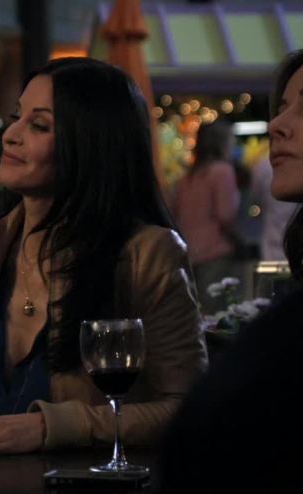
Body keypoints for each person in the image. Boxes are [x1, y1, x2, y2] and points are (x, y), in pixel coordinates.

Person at [0, 57, 207, 456]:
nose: (11, 135)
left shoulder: (145, 254)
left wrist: (54, 426)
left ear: (90, 145)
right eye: (16, 117)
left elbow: (189, 409)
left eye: (39, 125)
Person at [157, 51, 303, 493]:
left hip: (193, 255)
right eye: (281, 108)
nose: (276, 125)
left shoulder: (190, 177)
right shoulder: (222, 173)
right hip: (219, 252)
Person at [171, 121, 241, 311]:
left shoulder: (186, 178)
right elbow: (225, 215)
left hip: (189, 254)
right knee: (219, 315)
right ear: (222, 142)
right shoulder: (222, 172)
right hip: (215, 252)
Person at [250, 156, 297, 261]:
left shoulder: (261, 166)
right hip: (276, 249)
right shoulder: (262, 166)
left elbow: (256, 200)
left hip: (272, 250)